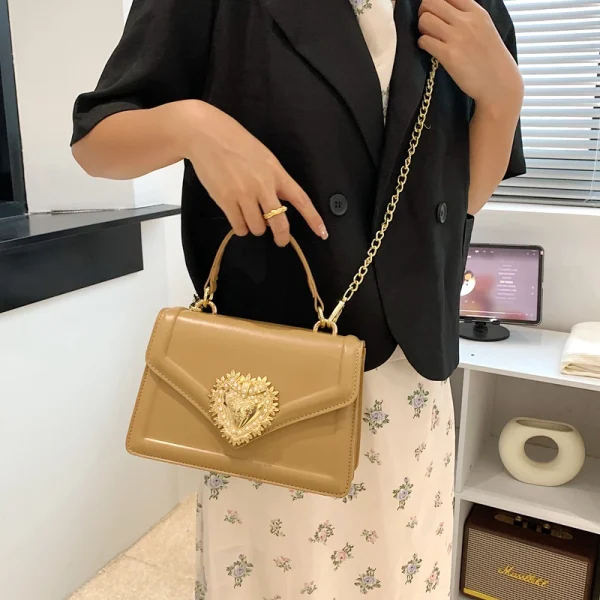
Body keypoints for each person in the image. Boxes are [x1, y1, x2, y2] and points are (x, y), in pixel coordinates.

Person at [71, 0, 525, 597]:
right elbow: (95, 142)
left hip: (410, 379)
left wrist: (503, 98)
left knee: (402, 574)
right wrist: (195, 126)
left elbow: (461, 200)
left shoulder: (471, 7)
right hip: (266, 385)